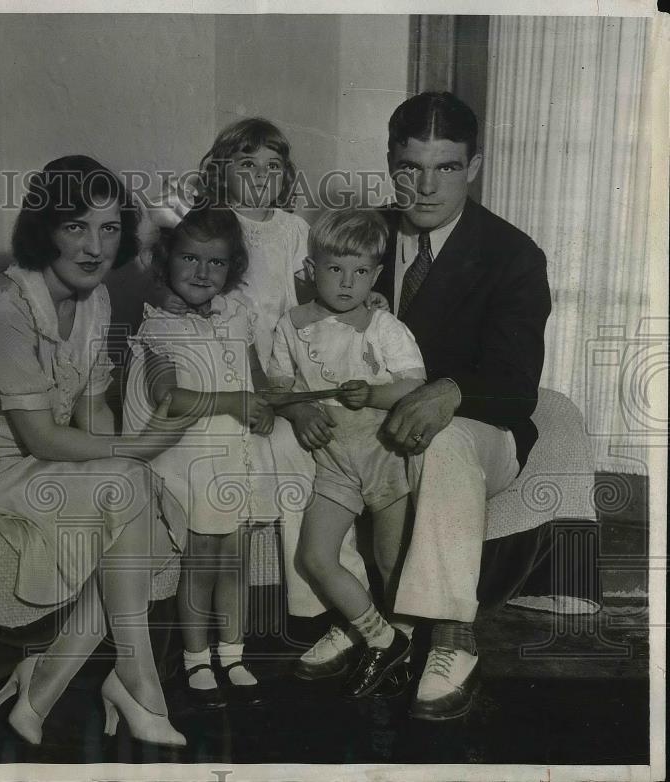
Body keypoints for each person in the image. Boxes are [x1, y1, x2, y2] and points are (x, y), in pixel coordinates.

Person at [288, 92, 551, 720]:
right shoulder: (361, 237)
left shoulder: (514, 255)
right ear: (389, 162)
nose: (427, 187)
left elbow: (518, 383)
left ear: (475, 166)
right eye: (411, 168)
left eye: (448, 167)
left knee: (450, 438)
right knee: (297, 435)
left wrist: (452, 389)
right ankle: (371, 621)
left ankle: (451, 634)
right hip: (370, 425)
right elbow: (311, 333)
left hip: (483, 433)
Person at [0, 155, 199, 748]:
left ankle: (49, 681)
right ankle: (135, 679)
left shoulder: (95, 300)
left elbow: (92, 409)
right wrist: (135, 449)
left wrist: (121, 458)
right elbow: (41, 437)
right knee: (130, 485)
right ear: (44, 229)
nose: (94, 246)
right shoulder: (5, 305)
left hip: (35, 462)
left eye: (107, 228)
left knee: (137, 493)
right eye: (76, 226)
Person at [156, 116, 373, 623]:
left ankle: (321, 597)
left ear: (286, 175)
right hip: (233, 365)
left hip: (287, 360)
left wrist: (360, 302)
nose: (259, 176)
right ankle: (322, 598)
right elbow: (172, 263)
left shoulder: (295, 228)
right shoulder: (211, 222)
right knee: (287, 444)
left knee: (316, 448)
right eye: (246, 164)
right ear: (221, 170)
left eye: (272, 166)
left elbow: (312, 294)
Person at [124, 205, 280, 710]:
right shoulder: (158, 329)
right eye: (189, 258)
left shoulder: (236, 315)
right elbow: (172, 398)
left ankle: (233, 653)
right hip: (188, 460)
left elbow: (255, 379)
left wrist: (265, 410)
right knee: (202, 562)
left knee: (235, 561)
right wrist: (234, 402)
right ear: (167, 259)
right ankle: (195, 658)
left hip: (234, 456)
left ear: (231, 269)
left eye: (216, 263)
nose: (201, 272)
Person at [269, 209, 426, 697]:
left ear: (376, 276)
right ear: (312, 269)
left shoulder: (383, 325)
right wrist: (298, 409)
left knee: (389, 559)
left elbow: (415, 382)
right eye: (335, 269)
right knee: (315, 556)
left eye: (361, 272)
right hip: (334, 462)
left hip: (382, 454)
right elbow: (278, 385)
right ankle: (381, 639)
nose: (347, 282)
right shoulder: (291, 324)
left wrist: (375, 395)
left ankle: (405, 646)